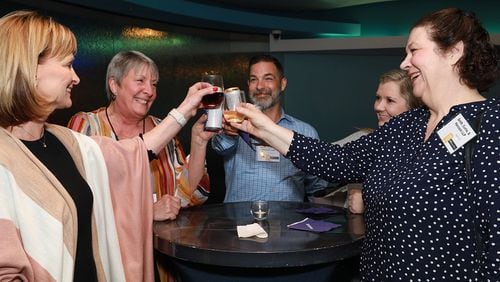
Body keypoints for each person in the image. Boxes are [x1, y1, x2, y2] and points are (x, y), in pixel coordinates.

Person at [230, 8, 500, 280]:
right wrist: (264, 128)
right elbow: (339, 161)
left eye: (414, 51)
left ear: (453, 52)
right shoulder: (408, 124)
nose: (405, 63)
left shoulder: (490, 125)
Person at [0, 10, 217, 281]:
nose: (76, 77)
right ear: (28, 68)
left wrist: (187, 112)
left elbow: (134, 153)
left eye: (153, 84)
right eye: (67, 65)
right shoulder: (7, 156)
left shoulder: (63, 141)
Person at [68, 51, 213, 217]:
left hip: (161, 241)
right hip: (111, 242)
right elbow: (81, 197)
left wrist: (199, 142)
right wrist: (147, 213)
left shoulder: (162, 128)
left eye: (154, 84)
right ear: (114, 85)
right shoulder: (86, 126)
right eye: (140, 81)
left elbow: (187, 193)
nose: (150, 91)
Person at [211, 54, 328, 202]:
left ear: (283, 83)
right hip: (239, 222)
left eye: (268, 78)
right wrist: (230, 133)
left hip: (288, 222)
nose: (260, 86)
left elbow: (317, 189)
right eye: (254, 79)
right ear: (248, 84)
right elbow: (220, 147)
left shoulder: (305, 132)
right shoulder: (235, 125)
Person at [337, 69, 421, 214]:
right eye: (378, 98)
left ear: (412, 107)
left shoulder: (423, 148)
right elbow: (332, 156)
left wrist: (367, 203)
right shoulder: (368, 140)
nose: (378, 107)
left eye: (390, 100)